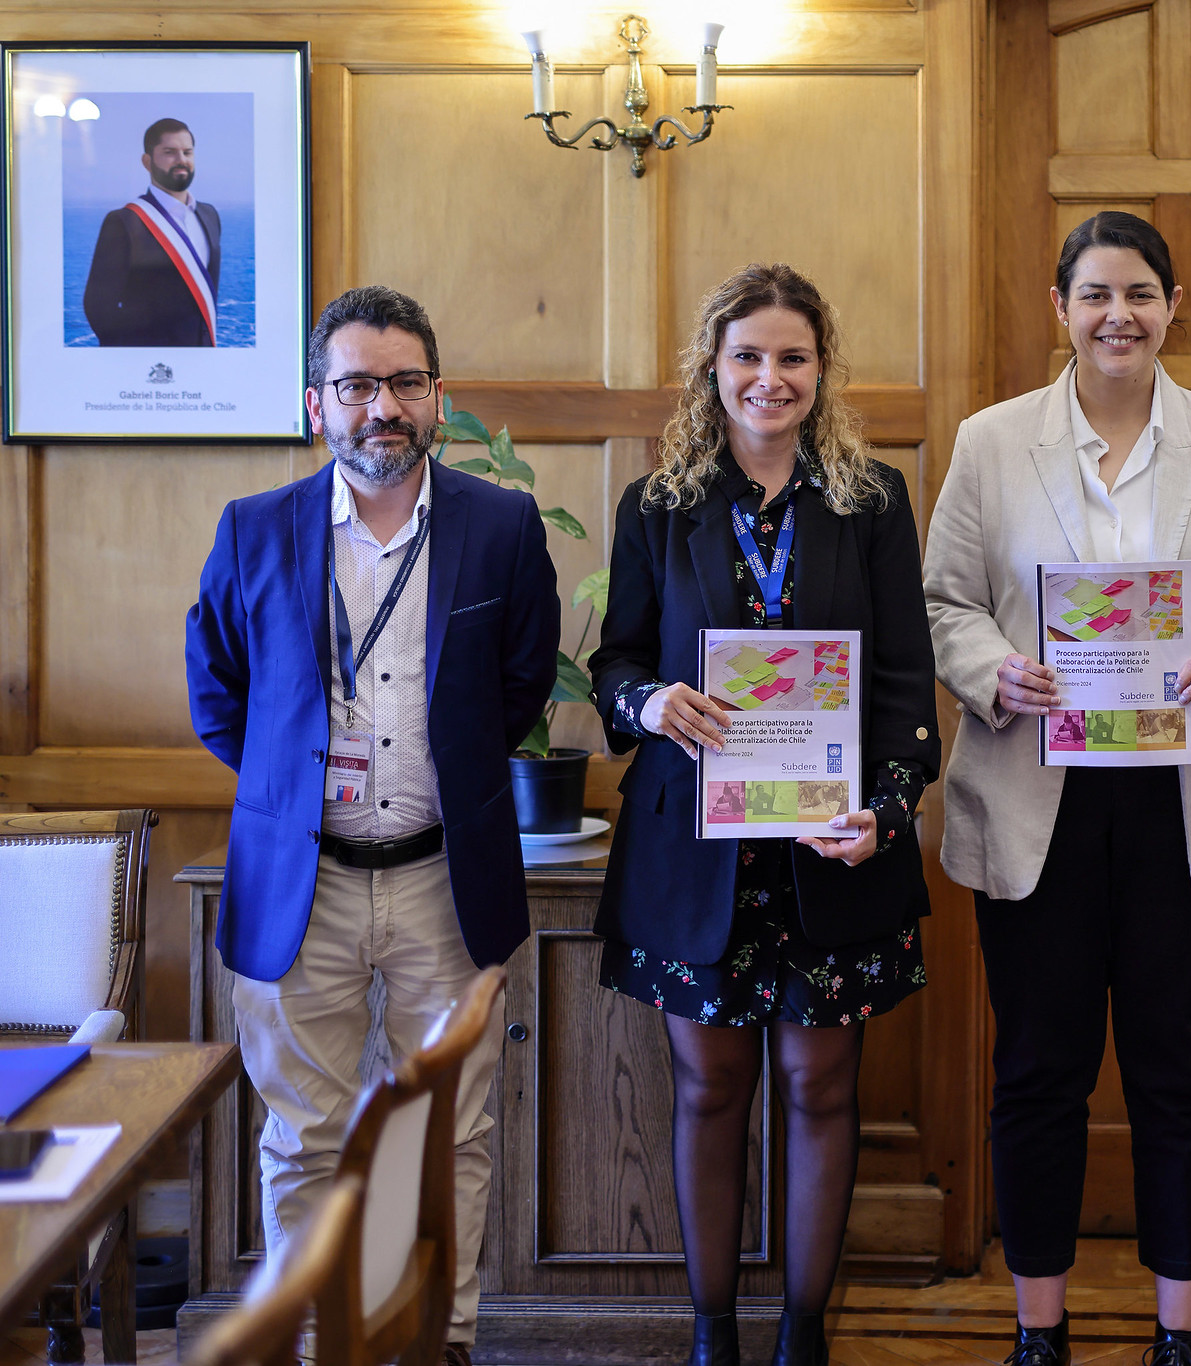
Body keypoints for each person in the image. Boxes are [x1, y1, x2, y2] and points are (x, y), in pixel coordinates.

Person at [924, 211, 1191, 1366]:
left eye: (1138, 293)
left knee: (1178, 1072)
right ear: (1060, 309)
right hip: (1036, 794)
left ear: (1173, 306)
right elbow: (945, 603)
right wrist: (1003, 673)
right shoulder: (990, 444)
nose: (1116, 315)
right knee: (1037, 1070)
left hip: (1182, 804)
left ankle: (1177, 1333)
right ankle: (1039, 1328)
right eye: (1093, 294)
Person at [185, 285, 560, 1366]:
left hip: (447, 878)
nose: (380, 406)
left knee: (448, 1136)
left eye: (403, 382)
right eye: (356, 384)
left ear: (436, 397)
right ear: (318, 403)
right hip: (303, 884)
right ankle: (322, 1346)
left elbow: (522, 684)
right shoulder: (254, 530)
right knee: (303, 1137)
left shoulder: (500, 525)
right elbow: (218, 693)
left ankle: (433, 1340)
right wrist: (291, 794)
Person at [587, 263, 939, 1366]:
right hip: (693, 855)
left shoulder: (870, 500)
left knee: (816, 1085)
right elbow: (615, 665)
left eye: (792, 357)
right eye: (747, 355)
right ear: (713, 366)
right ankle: (710, 1335)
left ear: (821, 370)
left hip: (829, 850)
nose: (768, 377)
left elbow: (899, 682)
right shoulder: (657, 505)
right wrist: (648, 700)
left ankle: (802, 1335)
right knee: (708, 1085)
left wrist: (884, 812)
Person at [84, 117, 223, 347]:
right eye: (170, 152)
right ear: (147, 161)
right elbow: (98, 307)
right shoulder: (123, 221)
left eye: (187, 152)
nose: (181, 160)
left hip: (202, 365)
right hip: (149, 369)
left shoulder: (209, 216)